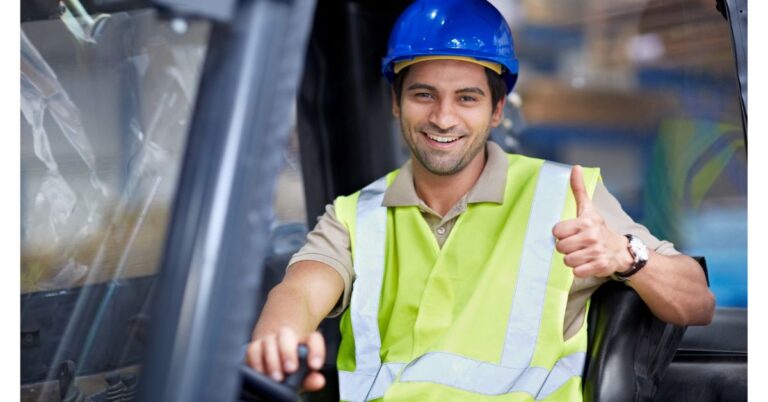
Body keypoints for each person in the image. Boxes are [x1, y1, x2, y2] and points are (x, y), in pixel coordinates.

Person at [246, 0, 715, 400]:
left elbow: (697, 302)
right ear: (395, 102)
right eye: (423, 94)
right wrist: (279, 340)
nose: (443, 118)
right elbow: (300, 292)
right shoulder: (355, 216)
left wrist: (625, 255)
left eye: (466, 99)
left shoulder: (566, 197)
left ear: (495, 111)